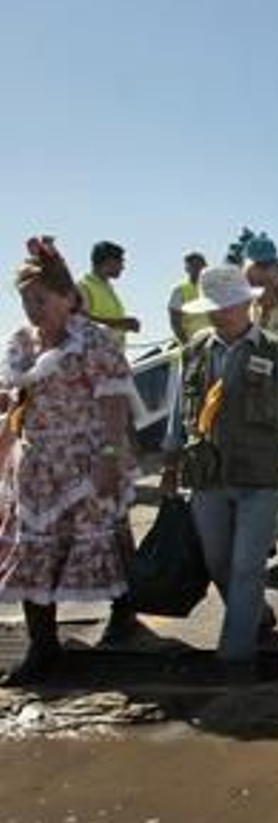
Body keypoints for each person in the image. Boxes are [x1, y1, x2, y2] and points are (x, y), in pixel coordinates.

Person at [1, 238, 138, 685]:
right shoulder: (21, 345)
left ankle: (125, 615)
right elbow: (15, 403)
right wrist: (5, 443)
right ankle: (44, 649)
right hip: (38, 465)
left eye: (40, 299)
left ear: (67, 298)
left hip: (87, 458)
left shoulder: (91, 342)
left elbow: (115, 404)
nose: (32, 308)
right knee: (34, 550)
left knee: (106, 538)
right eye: (25, 299)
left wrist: (110, 457)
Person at [160, 265, 278, 680]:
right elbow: (178, 415)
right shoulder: (193, 351)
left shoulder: (276, 352)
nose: (219, 314)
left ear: (247, 303)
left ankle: (235, 654)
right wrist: (170, 465)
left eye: (227, 306)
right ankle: (255, 614)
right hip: (206, 475)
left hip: (260, 477)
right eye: (213, 308)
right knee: (218, 561)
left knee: (247, 565)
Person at [78, 240, 141, 343]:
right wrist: (120, 323)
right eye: (120, 261)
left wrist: (123, 324)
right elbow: (80, 322)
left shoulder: (107, 288)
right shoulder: (84, 287)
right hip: (94, 356)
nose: (122, 267)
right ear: (109, 260)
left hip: (111, 354)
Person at [168, 251, 210, 342]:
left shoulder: (213, 288)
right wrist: (186, 344)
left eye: (201, 265)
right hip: (193, 342)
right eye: (194, 266)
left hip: (213, 340)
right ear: (187, 269)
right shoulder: (179, 291)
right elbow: (175, 321)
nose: (199, 269)